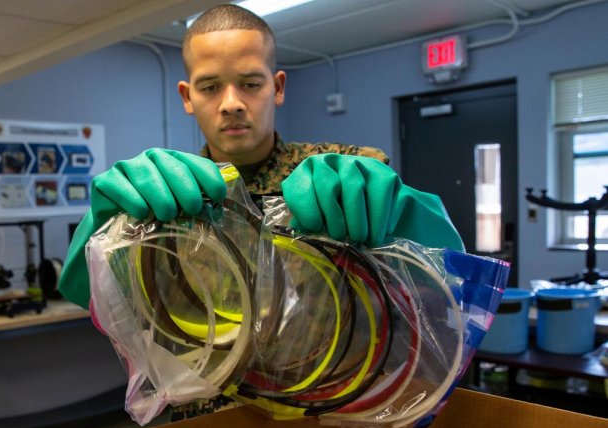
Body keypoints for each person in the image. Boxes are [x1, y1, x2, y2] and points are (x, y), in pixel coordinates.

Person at [58, 4, 462, 310]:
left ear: (278, 87)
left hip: (326, 405)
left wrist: (404, 212)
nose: (232, 103)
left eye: (250, 83)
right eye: (211, 87)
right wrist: (104, 228)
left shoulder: (346, 169)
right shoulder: (164, 196)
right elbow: (97, 301)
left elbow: (448, 281)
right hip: (203, 414)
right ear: (186, 97)